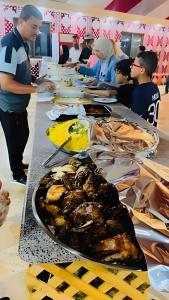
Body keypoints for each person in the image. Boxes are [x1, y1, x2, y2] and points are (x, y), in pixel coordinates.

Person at [0, 5, 55, 184]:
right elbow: (6, 83)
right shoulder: (10, 44)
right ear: (21, 22)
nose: (37, 31)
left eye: (39, 27)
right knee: (15, 140)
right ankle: (17, 174)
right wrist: (36, 89)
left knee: (23, 134)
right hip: (9, 105)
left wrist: (36, 79)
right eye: (34, 26)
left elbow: (19, 71)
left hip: (19, 104)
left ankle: (18, 164)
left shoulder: (21, 42)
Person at [130, 51, 160, 127]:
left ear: (142, 70)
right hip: (151, 131)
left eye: (133, 65)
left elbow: (134, 123)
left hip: (141, 134)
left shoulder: (139, 92)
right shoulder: (154, 87)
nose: (131, 67)